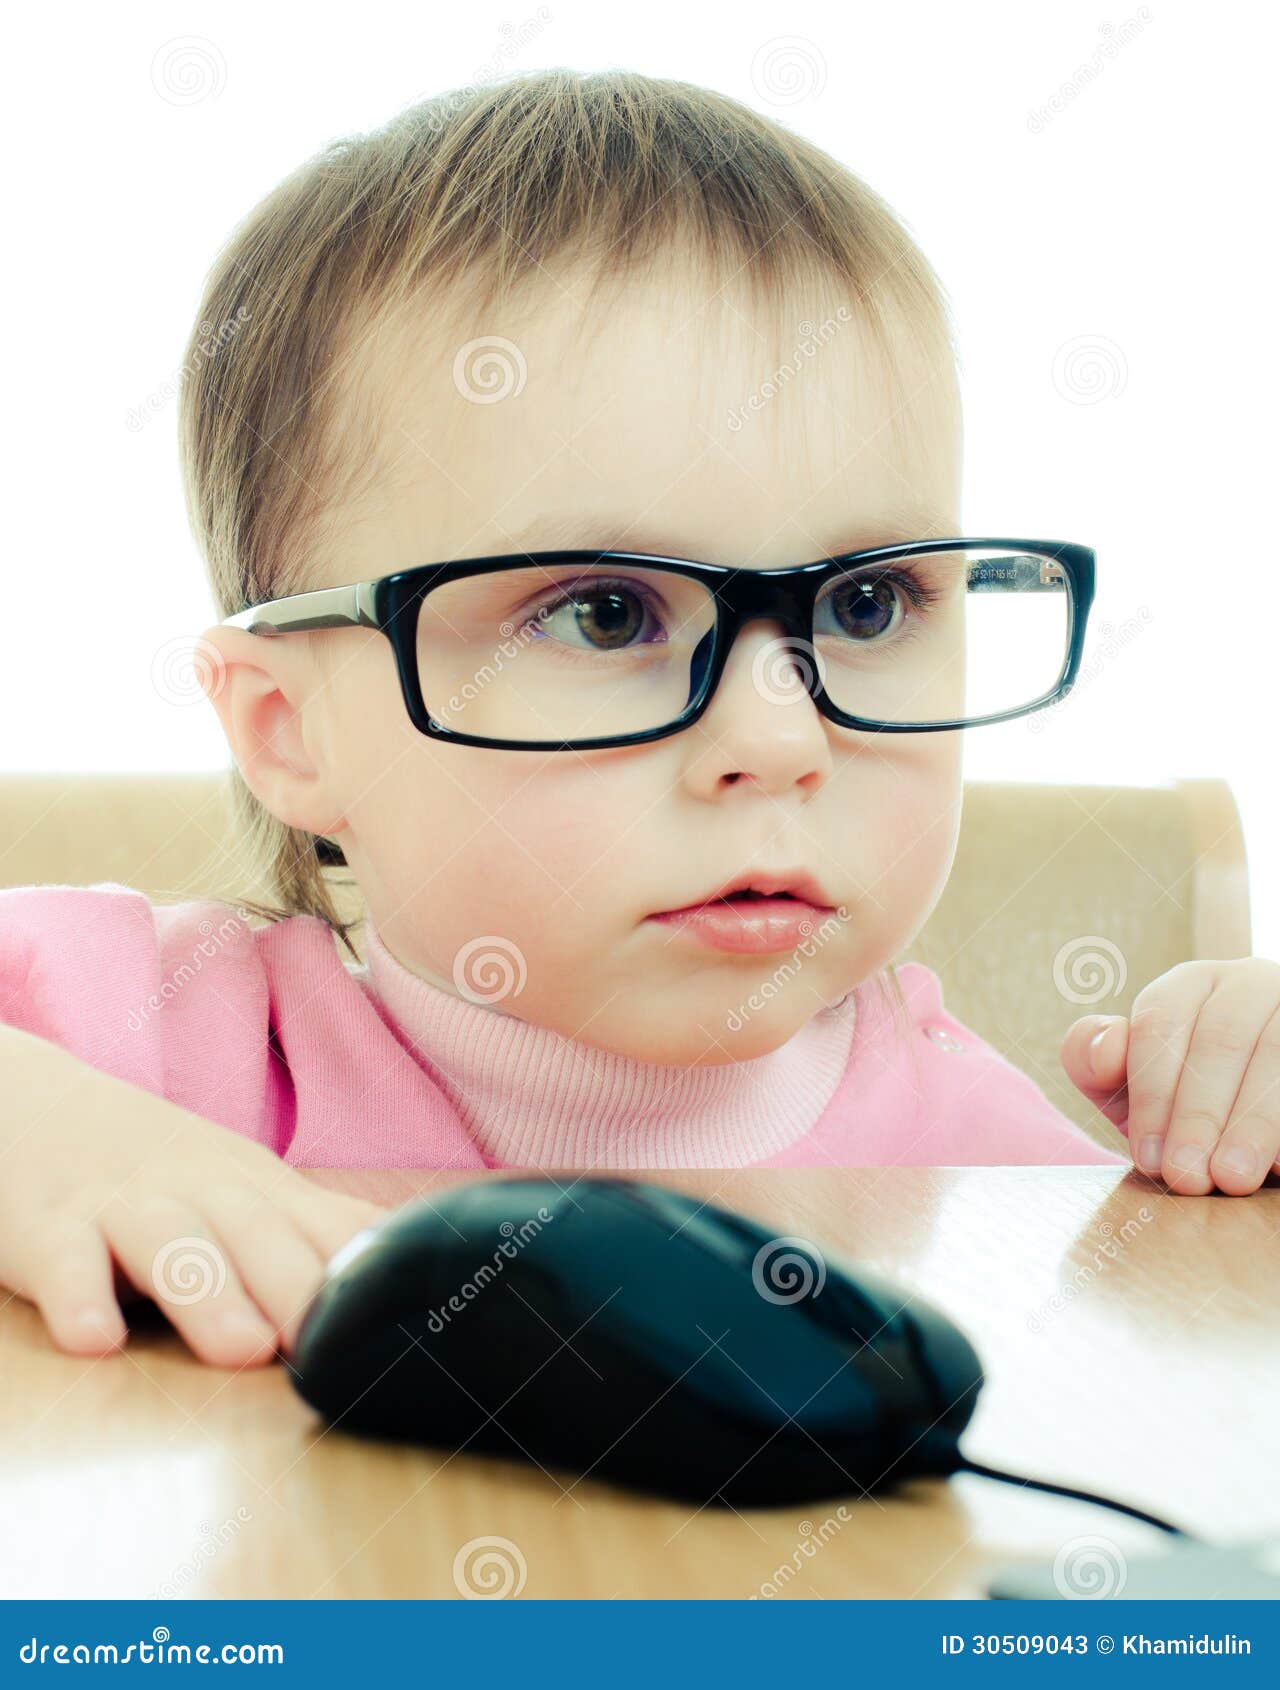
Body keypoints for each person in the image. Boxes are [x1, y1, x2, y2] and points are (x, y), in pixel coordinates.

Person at [3, 70, 1277, 1373]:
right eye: (607, 614)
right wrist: (40, 1131)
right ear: (290, 729)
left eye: (870, 601)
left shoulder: (977, 1160)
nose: (779, 742)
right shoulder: (178, 1042)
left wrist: (1248, 1115)